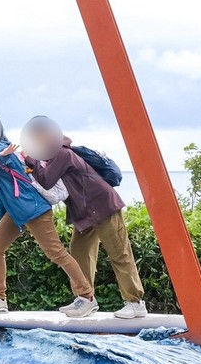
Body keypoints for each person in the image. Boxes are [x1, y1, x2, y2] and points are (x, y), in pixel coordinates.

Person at [0, 108, 96, 317]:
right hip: (18, 211)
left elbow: (5, 157)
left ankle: (87, 297)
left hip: (33, 210)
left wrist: (5, 156)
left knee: (56, 253)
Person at [21, 115, 147, 319]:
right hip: (84, 214)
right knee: (80, 253)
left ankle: (135, 302)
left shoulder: (62, 154)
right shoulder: (52, 157)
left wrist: (30, 158)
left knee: (119, 254)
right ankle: (86, 299)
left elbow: (46, 181)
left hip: (103, 205)